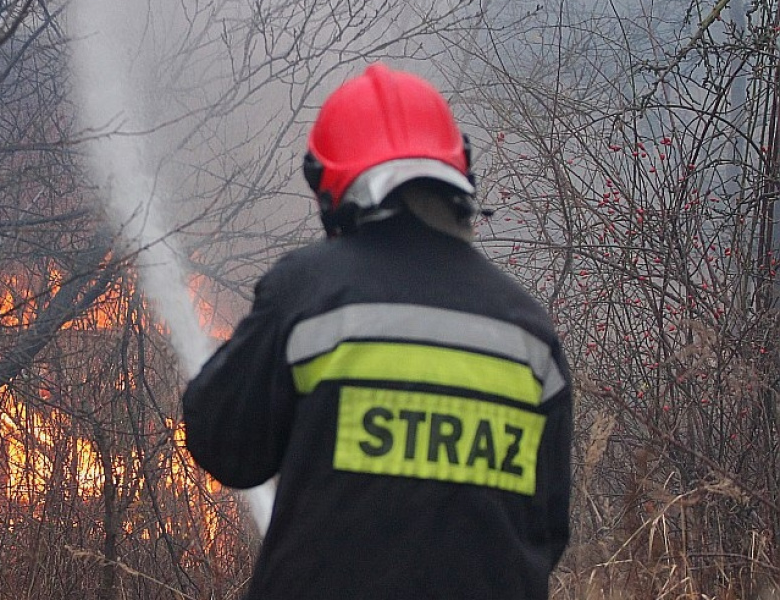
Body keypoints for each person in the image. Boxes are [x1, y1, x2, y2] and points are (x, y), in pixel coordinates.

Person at [180, 63, 573, 599]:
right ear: (459, 173)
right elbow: (546, 531)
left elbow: (223, 446)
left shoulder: (308, 293)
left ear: (331, 189)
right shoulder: (529, 333)